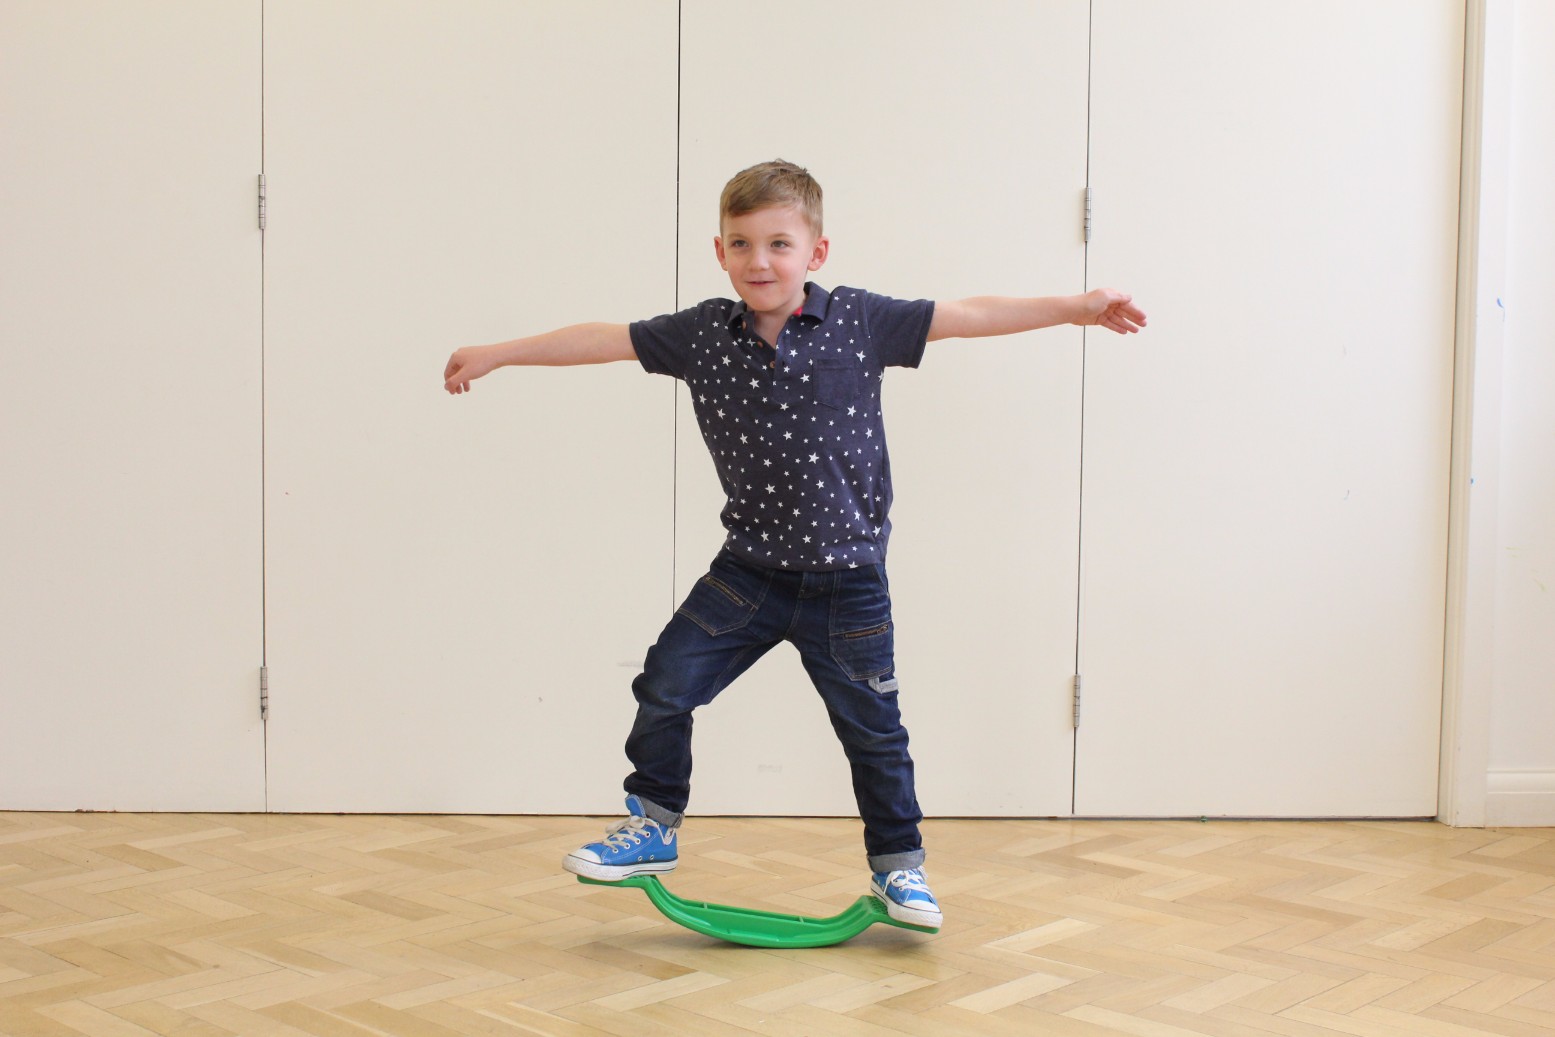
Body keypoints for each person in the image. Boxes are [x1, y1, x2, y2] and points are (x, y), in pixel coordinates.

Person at [443, 159, 1145, 929]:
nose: (759, 261)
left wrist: (1077, 306)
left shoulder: (859, 320)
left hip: (848, 581)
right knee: (664, 683)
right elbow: (601, 339)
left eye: (779, 243)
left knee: (874, 735)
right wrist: (498, 351)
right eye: (740, 244)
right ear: (719, 253)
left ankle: (899, 872)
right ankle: (651, 826)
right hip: (748, 571)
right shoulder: (702, 335)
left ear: (816, 251)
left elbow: (968, 313)